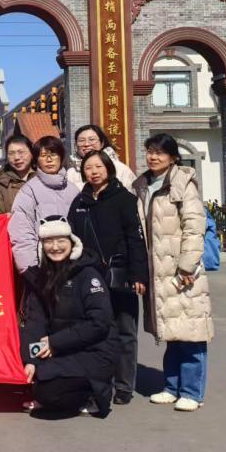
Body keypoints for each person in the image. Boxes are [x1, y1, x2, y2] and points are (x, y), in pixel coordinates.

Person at [132, 133, 214, 413]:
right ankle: (171, 386)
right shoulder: (142, 184)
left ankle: (191, 392)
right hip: (158, 270)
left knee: (191, 332)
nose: (153, 157)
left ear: (173, 157)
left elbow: (194, 224)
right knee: (172, 332)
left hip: (181, 269)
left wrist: (187, 264)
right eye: (149, 151)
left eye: (159, 152)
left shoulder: (182, 183)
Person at [67, 150, 149, 406]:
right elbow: (72, 240)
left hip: (121, 274)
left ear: (108, 169)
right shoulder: (79, 201)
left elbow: (136, 239)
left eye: (98, 166)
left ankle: (124, 386)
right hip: (90, 277)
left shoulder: (124, 199)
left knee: (125, 332)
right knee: (95, 331)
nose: (93, 172)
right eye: (88, 167)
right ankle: (100, 382)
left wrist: (139, 274)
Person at [20, 218, 118, 418]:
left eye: (61, 240)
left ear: (73, 243)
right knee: (36, 380)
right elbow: (35, 322)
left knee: (49, 394)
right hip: (61, 350)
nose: (55, 247)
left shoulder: (89, 275)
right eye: (49, 241)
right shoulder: (41, 277)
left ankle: (93, 395)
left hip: (94, 352)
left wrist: (55, 342)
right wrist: (31, 360)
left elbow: (99, 323)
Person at [8, 136, 81, 275]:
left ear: (61, 157)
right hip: (42, 267)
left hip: (73, 264)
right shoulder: (28, 191)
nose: (49, 159)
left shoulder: (74, 190)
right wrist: (30, 270)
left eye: (53, 154)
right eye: (43, 155)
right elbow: (21, 234)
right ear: (37, 161)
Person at [65, 124, 137, 193]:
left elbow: (132, 197)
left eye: (92, 139)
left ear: (102, 143)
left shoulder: (120, 169)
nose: (86, 144)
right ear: (76, 145)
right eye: (81, 140)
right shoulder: (71, 173)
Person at [0, 133, 36, 214]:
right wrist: (4, 217)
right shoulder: (1, 184)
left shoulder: (43, 178)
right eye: (11, 153)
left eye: (21, 152)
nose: (16, 157)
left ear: (32, 154)